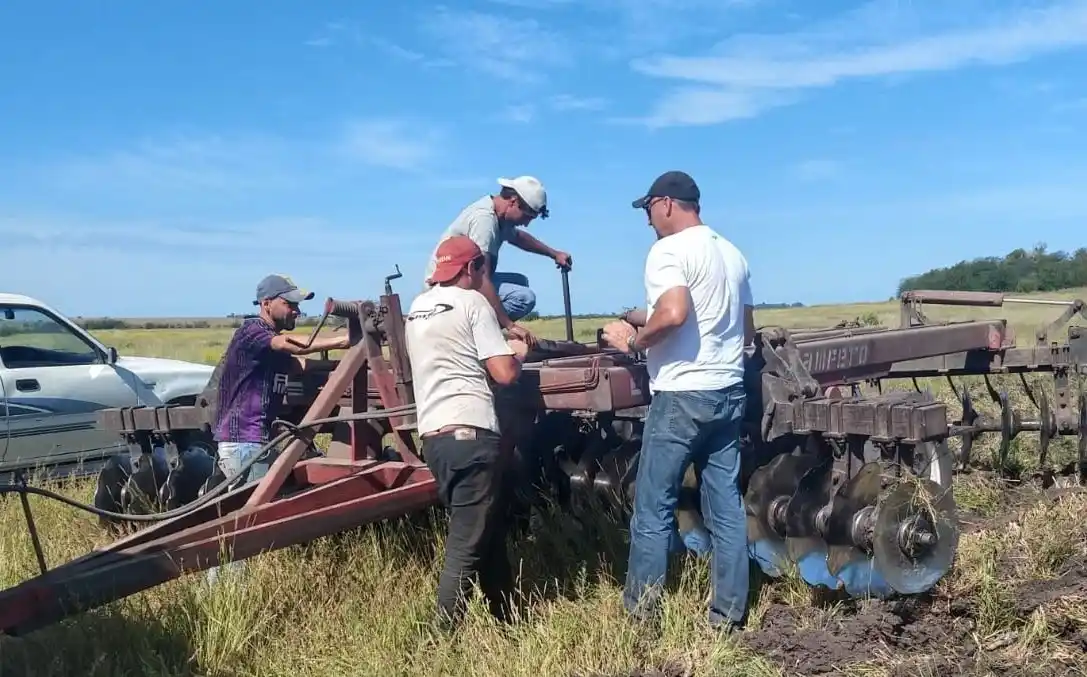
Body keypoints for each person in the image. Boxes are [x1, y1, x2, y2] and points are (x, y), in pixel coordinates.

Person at [600, 170, 755, 632]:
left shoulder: (667, 250)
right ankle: (727, 618)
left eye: (648, 209)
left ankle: (641, 620)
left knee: (653, 508)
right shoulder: (732, 253)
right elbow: (744, 330)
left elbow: (674, 313)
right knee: (725, 509)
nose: (647, 221)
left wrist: (632, 341)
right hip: (728, 390)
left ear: (666, 204)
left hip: (682, 396)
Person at [406, 235, 528, 630]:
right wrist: (519, 351)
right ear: (471, 269)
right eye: (481, 269)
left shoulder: (418, 307)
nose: (483, 277)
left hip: (436, 441)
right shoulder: (473, 303)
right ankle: (440, 637)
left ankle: (508, 621)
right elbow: (504, 373)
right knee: (464, 544)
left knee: (484, 530)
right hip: (471, 433)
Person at [206, 273, 350, 582]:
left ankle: (223, 588)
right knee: (250, 521)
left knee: (249, 516)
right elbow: (290, 345)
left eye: (299, 306)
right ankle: (224, 592)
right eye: (291, 304)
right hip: (244, 440)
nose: (297, 312)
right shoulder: (253, 331)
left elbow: (301, 365)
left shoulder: (270, 351)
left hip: (257, 441)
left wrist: (349, 364)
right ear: (266, 303)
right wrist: (346, 340)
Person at [423, 176, 573, 347]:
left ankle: (479, 328)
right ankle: (470, 333)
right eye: (527, 216)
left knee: (520, 281)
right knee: (524, 297)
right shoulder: (484, 221)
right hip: (447, 285)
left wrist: (554, 254)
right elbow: (482, 277)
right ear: (513, 201)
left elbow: (519, 238)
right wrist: (510, 325)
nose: (527, 223)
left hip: (466, 279)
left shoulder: (499, 216)